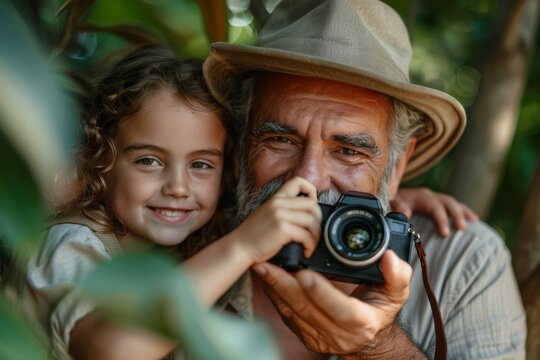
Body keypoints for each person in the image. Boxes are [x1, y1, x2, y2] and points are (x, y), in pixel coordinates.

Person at [202, 0, 526, 359]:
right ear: (242, 144)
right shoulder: (190, 240)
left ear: (397, 167)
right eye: (281, 140)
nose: (308, 179)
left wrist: (378, 348)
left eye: (348, 151)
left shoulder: (462, 262)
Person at [16, 44, 325, 360]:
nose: (178, 188)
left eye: (201, 165)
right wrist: (243, 245)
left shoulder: (173, 255)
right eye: (149, 161)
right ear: (101, 159)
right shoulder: (68, 243)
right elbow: (113, 350)